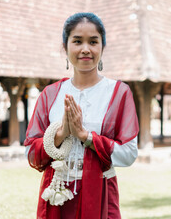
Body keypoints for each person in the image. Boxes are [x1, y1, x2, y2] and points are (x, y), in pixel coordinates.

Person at [24, 12, 139, 219]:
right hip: (55, 195)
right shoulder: (50, 94)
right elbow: (31, 152)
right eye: (77, 41)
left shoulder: (118, 93)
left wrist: (86, 136)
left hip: (100, 193)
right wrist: (61, 134)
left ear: (102, 47)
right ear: (65, 46)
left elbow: (129, 153)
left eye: (93, 42)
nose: (85, 49)